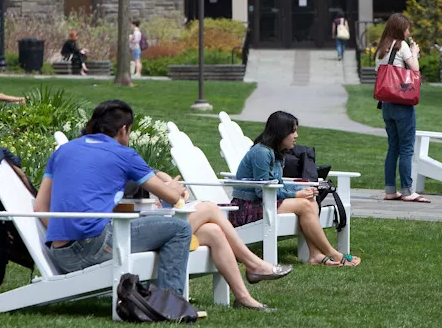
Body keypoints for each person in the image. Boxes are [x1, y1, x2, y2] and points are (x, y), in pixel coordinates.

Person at [34, 100, 291, 312]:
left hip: (63, 252)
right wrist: (175, 188)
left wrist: (67, 236)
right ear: (124, 130)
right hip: (96, 245)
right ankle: (172, 305)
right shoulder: (123, 154)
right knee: (190, 221)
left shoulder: (64, 150)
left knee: (212, 232)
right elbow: (171, 197)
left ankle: (244, 298)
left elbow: (40, 208)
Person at [230, 111, 361, 268]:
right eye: (293, 131)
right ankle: (333, 253)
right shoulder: (261, 152)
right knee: (304, 204)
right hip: (247, 208)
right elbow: (262, 190)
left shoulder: (276, 153)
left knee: (310, 202)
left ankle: (315, 255)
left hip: (266, 203)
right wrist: (297, 194)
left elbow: (277, 184)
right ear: (280, 132)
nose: (296, 135)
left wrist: (304, 190)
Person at [374, 13, 430, 203]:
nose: (408, 32)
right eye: (407, 28)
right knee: (406, 148)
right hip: (402, 103)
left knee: (393, 148)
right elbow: (414, 69)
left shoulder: (381, 49)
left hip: (386, 104)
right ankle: (407, 191)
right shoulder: (402, 46)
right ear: (400, 29)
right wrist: (414, 53)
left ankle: (391, 190)